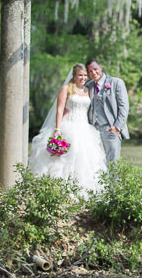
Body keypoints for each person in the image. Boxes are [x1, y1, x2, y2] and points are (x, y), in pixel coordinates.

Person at [27, 63, 108, 197]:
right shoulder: (66, 88)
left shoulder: (87, 90)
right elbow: (59, 109)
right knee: (64, 158)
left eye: (85, 75)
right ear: (74, 76)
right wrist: (57, 129)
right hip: (68, 125)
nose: (83, 78)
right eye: (80, 75)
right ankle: (59, 191)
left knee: (85, 159)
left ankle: (82, 191)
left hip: (84, 128)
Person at [84, 60, 129, 164]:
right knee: (97, 163)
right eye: (90, 71)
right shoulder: (89, 86)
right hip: (94, 130)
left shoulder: (116, 82)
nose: (93, 73)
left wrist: (117, 127)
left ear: (100, 67)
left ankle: (115, 181)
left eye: (95, 69)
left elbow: (124, 106)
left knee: (113, 163)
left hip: (110, 128)